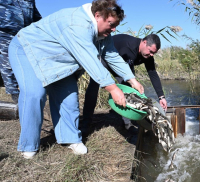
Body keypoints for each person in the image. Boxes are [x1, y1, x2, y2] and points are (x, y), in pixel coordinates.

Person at [8, 0, 144, 159]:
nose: (114, 29)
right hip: (27, 49)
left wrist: (132, 79)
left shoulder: (103, 33)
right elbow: (90, 59)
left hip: (56, 60)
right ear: (98, 15)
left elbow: (112, 55)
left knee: (69, 97)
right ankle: (29, 145)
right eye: (111, 24)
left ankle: (69, 138)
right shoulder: (77, 25)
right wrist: (113, 88)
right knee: (35, 93)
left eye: (116, 25)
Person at [82, 34, 167, 133]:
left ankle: (127, 123)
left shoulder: (148, 55)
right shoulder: (128, 48)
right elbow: (126, 73)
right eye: (150, 51)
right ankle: (86, 123)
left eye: (154, 53)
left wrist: (161, 96)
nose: (151, 55)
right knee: (93, 87)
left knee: (129, 89)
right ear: (144, 42)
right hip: (104, 57)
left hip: (120, 62)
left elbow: (152, 74)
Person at [0, 0, 41, 103]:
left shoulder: (29, 1)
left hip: (24, 33)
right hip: (4, 33)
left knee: (28, 60)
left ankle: (28, 89)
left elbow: (36, 17)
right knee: (7, 61)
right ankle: (13, 91)